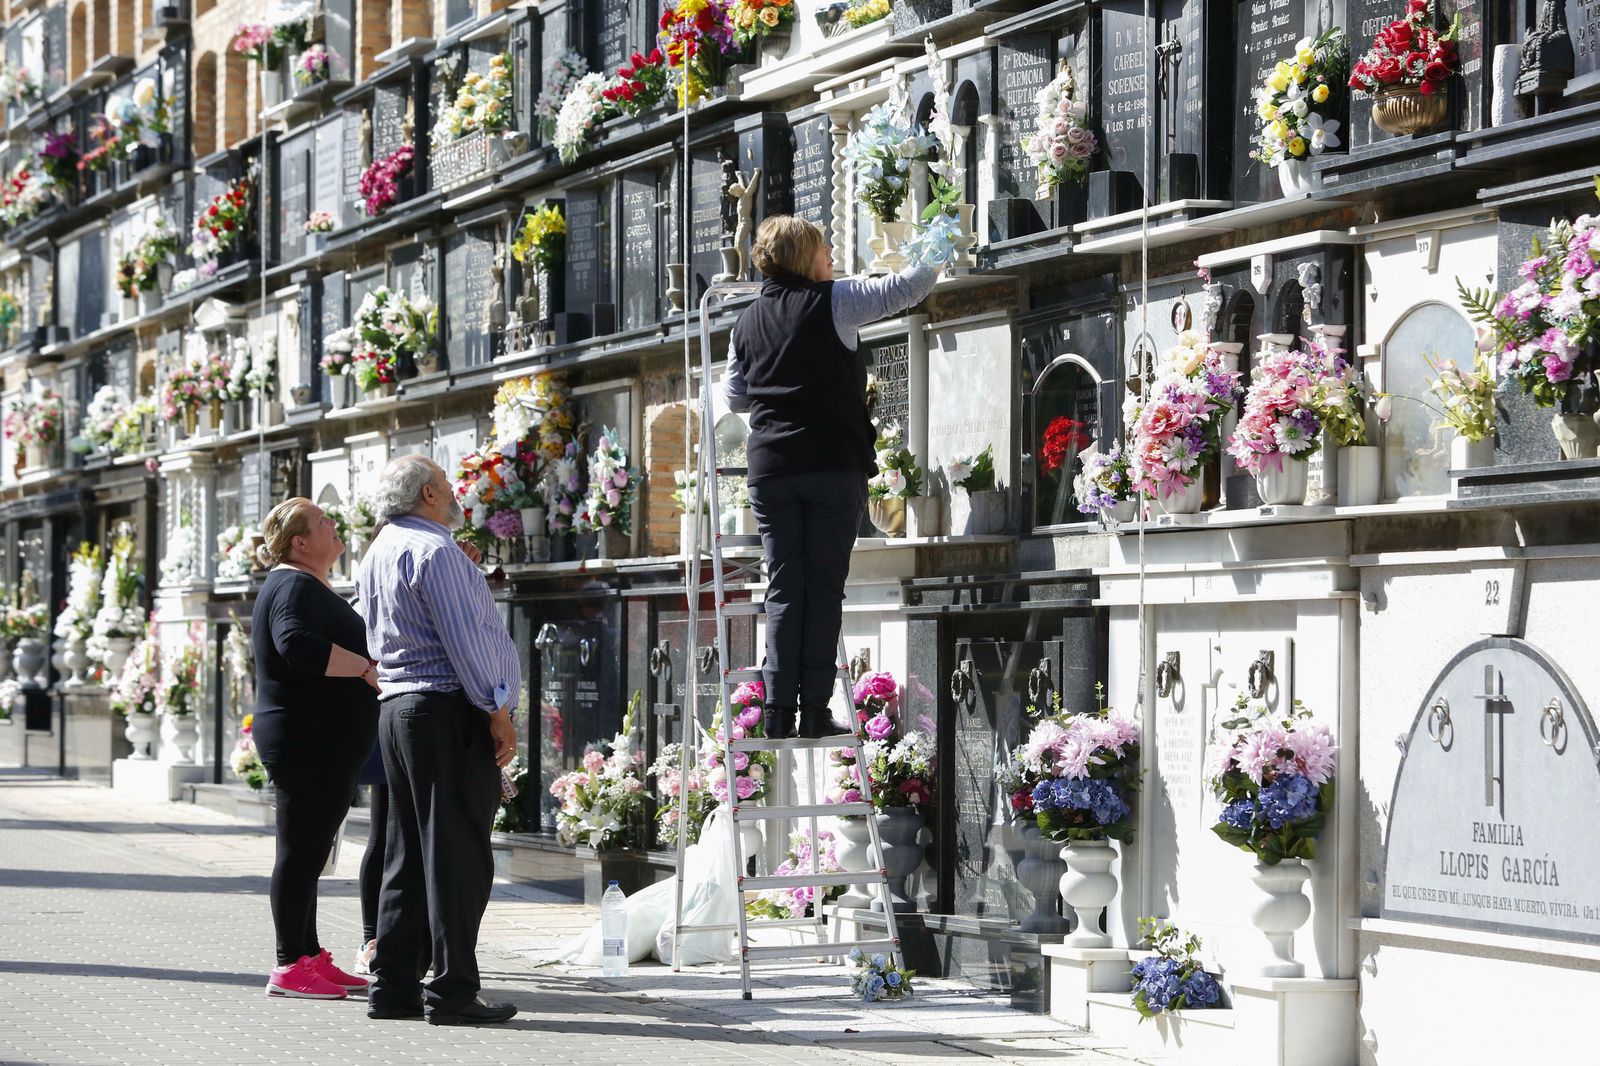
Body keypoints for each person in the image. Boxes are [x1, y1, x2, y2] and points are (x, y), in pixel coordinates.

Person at [722, 216, 939, 739]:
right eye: (824, 250)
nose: (832, 258)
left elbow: (735, 395)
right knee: (822, 588)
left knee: (782, 587)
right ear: (805, 259)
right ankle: (814, 710)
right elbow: (906, 287)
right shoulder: (835, 300)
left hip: (771, 469)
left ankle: (775, 711)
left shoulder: (745, 321)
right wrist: (941, 242)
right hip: (831, 465)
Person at [357, 455, 520, 1026]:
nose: (455, 493)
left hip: (398, 708)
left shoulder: (379, 550)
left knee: (405, 853)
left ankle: (394, 986)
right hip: (444, 709)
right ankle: (453, 991)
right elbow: (465, 640)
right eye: (448, 485)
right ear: (428, 494)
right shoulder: (434, 552)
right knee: (457, 854)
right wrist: (497, 707)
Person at [250, 497, 381, 1000]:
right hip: (307, 741)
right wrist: (366, 669)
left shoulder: (303, 582)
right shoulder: (293, 584)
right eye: (324, 522)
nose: (334, 525)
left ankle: (308, 955)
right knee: (301, 854)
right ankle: (289, 964)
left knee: (309, 852)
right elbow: (297, 645)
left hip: (321, 741)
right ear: (301, 542)